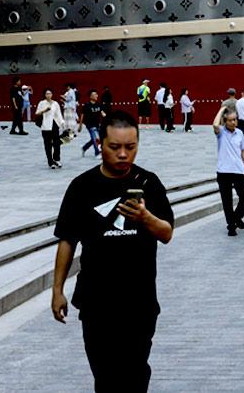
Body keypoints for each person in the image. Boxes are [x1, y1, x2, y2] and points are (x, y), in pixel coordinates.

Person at [51, 111, 173, 393]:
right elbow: (67, 240)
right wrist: (57, 289)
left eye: (130, 147)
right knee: (105, 377)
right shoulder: (82, 187)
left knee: (135, 374)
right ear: (100, 144)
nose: (122, 154)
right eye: (114, 147)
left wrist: (145, 218)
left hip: (139, 303)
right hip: (97, 303)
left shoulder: (149, 183)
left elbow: (166, 233)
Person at [212, 106, 244, 236]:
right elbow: (215, 124)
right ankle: (231, 226)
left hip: (238, 170)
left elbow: (243, 151)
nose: (233, 122)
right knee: (226, 200)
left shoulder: (240, 133)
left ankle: (236, 217)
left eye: (235, 120)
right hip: (224, 171)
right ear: (225, 121)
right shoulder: (221, 132)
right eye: (230, 120)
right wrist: (221, 109)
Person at [36, 88, 65, 169]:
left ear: (52, 94)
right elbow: (37, 113)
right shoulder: (42, 103)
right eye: (47, 94)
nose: (48, 95)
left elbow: (59, 114)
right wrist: (44, 110)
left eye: (50, 93)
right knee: (47, 145)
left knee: (57, 144)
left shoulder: (55, 103)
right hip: (45, 126)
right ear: (44, 95)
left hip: (55, 125)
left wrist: (62, 123)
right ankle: (50, 162)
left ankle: (56, 159)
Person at [79, 89, 105, 157]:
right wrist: (80, 125)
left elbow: (102, 113)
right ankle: (97, 152)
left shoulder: (98, 104)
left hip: (97, 124)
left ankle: (84, 148)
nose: (96, 95)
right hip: (90, 125)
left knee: (96, 138)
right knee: (96, 138)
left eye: (97, 94)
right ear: (90, 96)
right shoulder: (87, 105)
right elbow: (82, 115)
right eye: (94, 94)